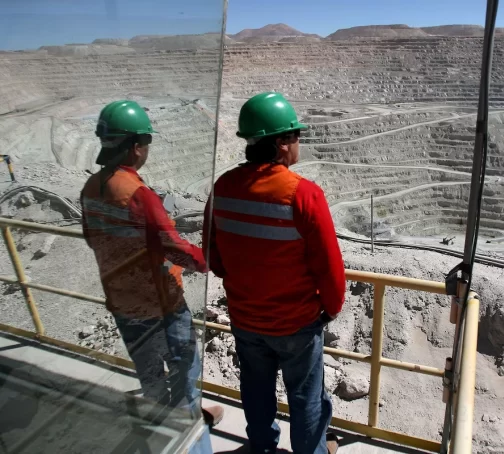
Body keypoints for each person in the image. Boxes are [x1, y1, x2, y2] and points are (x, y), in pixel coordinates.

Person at [203, 92, 346, 454]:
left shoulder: (223, 187)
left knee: (256, 389)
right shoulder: (304, 195)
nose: (298, 143)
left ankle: (263, 447)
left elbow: (214, 256)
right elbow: (329, 267)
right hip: (296, 323)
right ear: (282, 143)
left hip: (246, 318)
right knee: (306, 399)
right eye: (295, 135)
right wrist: (330, 308)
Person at [80, 100, 224, 433]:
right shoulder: (138, 193)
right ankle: (186, 430)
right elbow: (175, 247)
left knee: (149, 372)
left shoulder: (90, 188)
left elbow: (92, 238)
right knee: (184, 367)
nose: (147, 149)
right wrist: (208, 261)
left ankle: (159, 427)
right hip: (161, 304)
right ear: (134, 148)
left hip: (122, 301)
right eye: (146, 142)